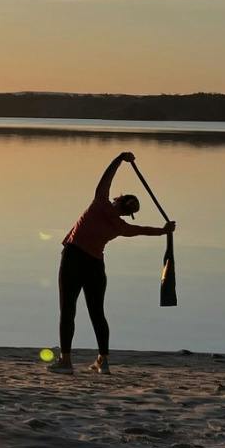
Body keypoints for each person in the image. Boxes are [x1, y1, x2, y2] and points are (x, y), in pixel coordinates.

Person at [50, 151, 176, 374]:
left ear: (118, 199)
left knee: (68, 310)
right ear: (128, 214)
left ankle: (66, 361)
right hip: (95, 267)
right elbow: (142, 231)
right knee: (97, 312)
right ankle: (103, 360)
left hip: (74, 259)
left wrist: (119, 159)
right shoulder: (121, 227)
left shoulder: (100, 203)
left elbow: (106, 178)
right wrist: (164, 231)